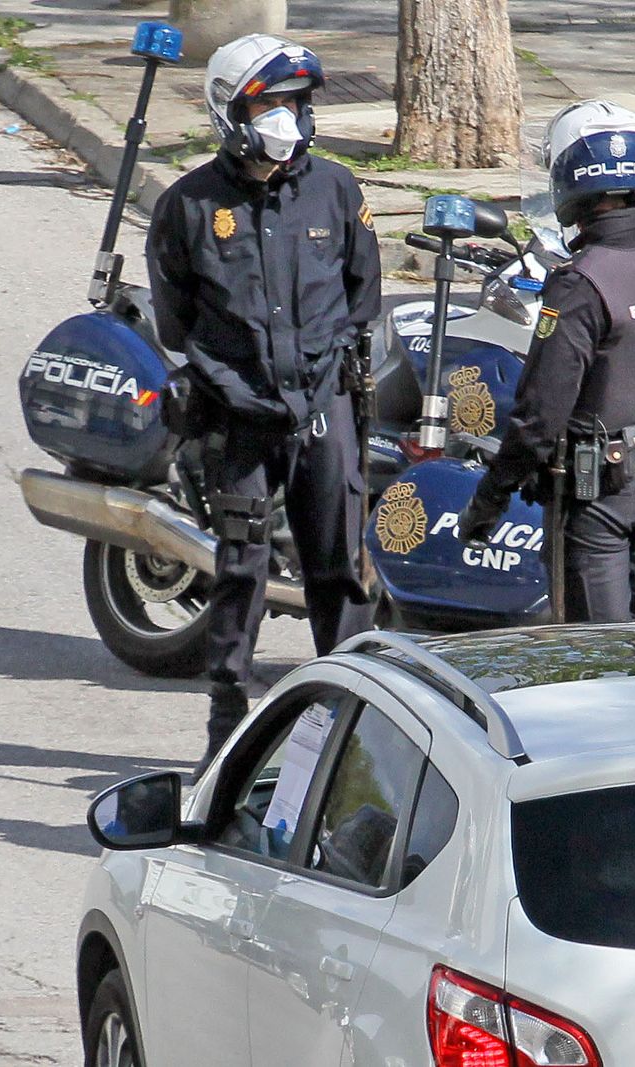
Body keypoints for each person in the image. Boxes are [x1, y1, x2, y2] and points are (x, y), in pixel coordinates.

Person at [146, 34, 383, 769]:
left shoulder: (337, 189)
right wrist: (241, 392)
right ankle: (226, 732)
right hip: (239, 421)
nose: (285, 119)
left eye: (296, 103)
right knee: (240, 571)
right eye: (270, 103)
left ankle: (350, 742)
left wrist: (317, 386)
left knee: (337, 571)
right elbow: (178, 321)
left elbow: (360, 293)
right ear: (230, 110)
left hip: (323, 410)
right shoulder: (188, 207)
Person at [456, 100, 635, 622]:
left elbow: (541, 411)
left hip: (601, 493)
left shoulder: (581, 282)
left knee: (599, 658)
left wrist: (489, 499)